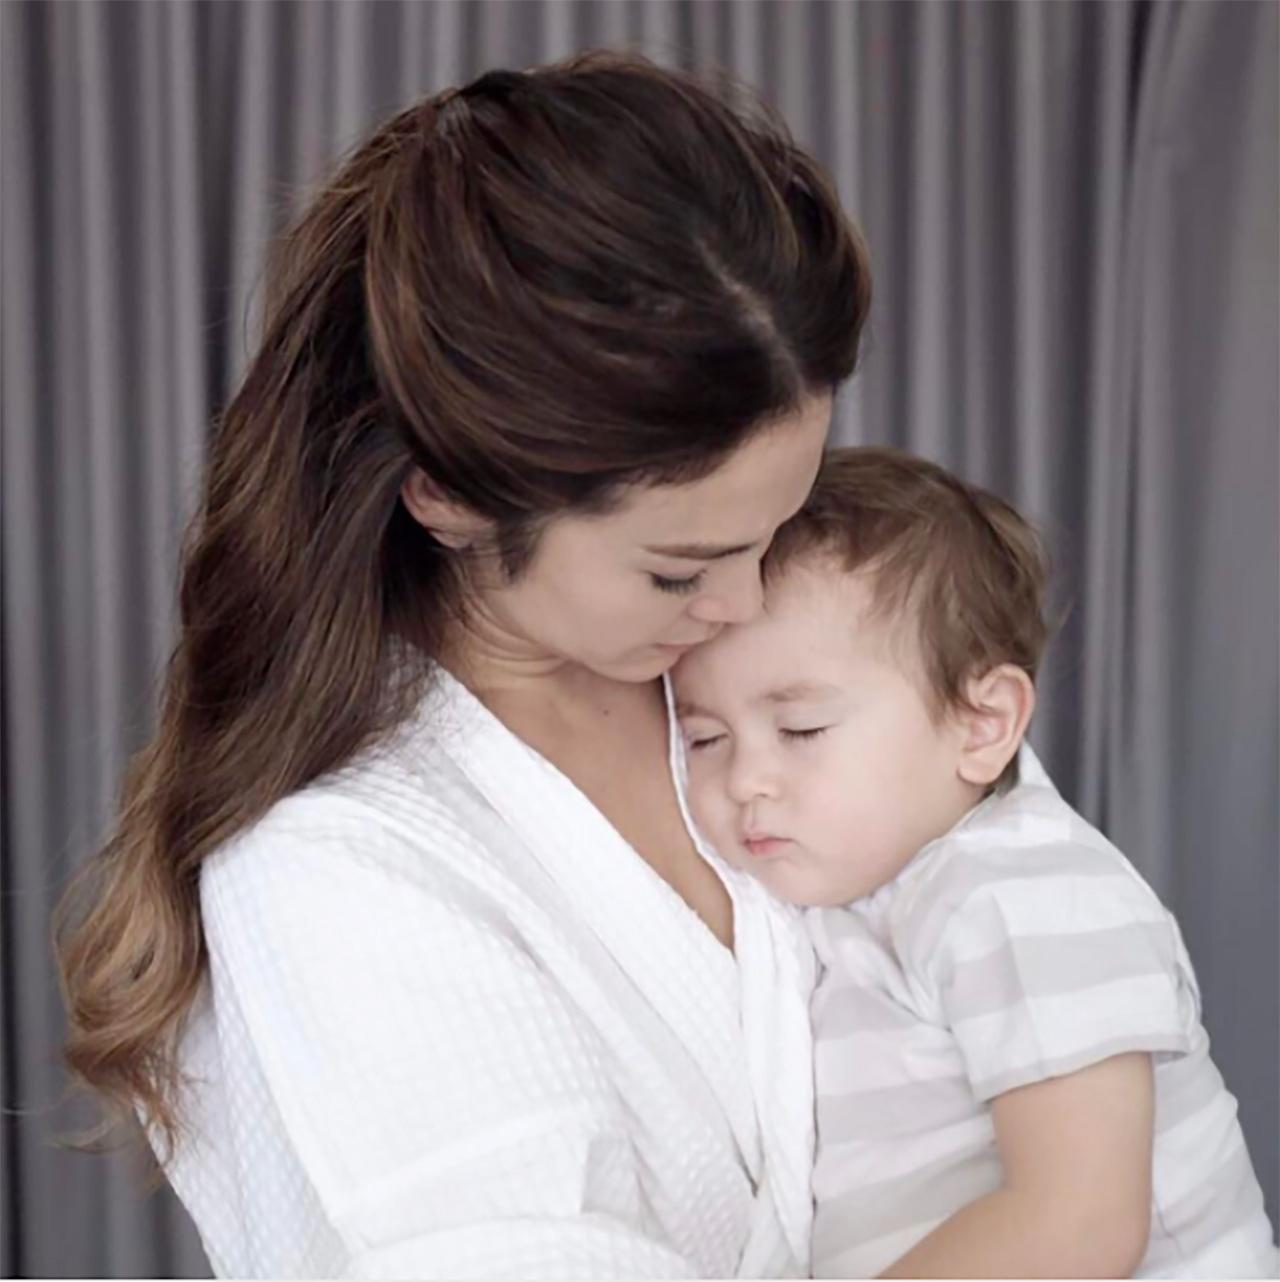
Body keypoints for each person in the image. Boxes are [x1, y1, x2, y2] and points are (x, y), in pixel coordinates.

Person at [54, 50, 872, 1279]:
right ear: (445, 495)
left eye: (776, 529)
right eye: (678, 570)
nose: (747, 602)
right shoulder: (337, 868)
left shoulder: (798, 652)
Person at [673, 447, 1279, 1279]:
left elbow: (1083, 1221)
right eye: (704, 739)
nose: (746, 779)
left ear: (983, 725)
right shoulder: (841, 904)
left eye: (802, 729)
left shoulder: (1023, 890)